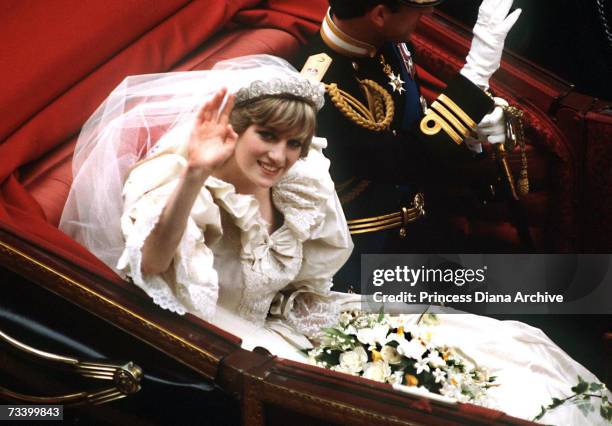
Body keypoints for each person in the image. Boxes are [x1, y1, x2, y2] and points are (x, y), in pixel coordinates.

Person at [60, 54, 608, 425]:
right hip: (240, 348)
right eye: (267, 136)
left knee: (495, 354)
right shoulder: (176, 186)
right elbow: (155, 263)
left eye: (294, 143)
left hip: (311, 307)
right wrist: (196, 174)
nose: (280, 156)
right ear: (233, 128)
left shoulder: (297, 179)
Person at [292, 0, 522, 291]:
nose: (428, 12)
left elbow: (412, 128)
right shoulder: (319, 90)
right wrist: (475, 76)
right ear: (379, 14)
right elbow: (405, 162)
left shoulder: (387, 43)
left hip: (421, 231)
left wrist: (470, 132)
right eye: (419, 7)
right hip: (364, 264)